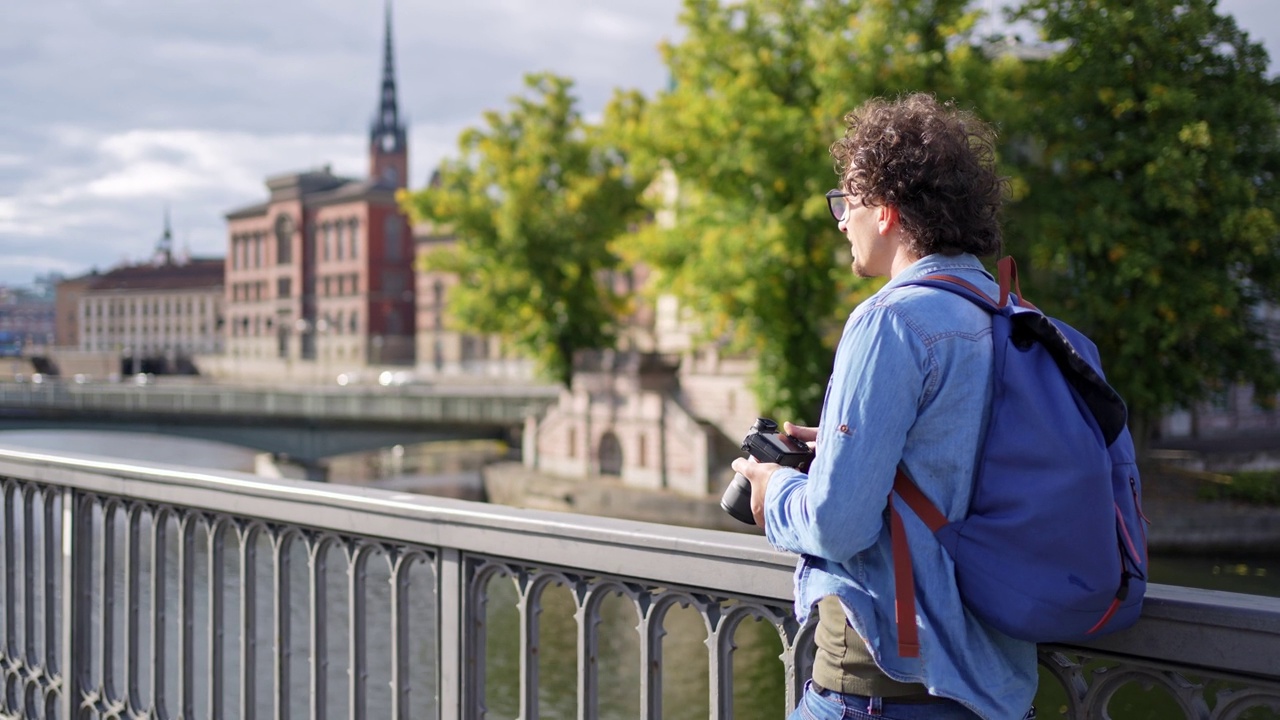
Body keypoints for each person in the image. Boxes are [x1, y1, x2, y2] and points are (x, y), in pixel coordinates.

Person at [730, 93, 1038, 719]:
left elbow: (839, 525)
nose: (841, 220)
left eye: (848, 201)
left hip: (886, 687)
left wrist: (774, 489)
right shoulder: (1012, 312)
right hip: (999, 683)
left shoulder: (890, 321)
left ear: (888, 210)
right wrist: (851, 449)